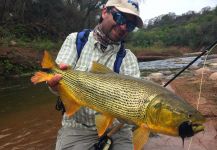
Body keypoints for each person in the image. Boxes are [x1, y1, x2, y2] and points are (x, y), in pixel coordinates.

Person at [48, 0, 143, 149]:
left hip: (117, 131)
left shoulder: (128, 58)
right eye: (120, 18)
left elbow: (134, 107)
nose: (124, 27)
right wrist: (54, 86)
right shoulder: (76, 40)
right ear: (104, 12)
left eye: (130, 25)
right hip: (77, 127)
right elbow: (57, 87)